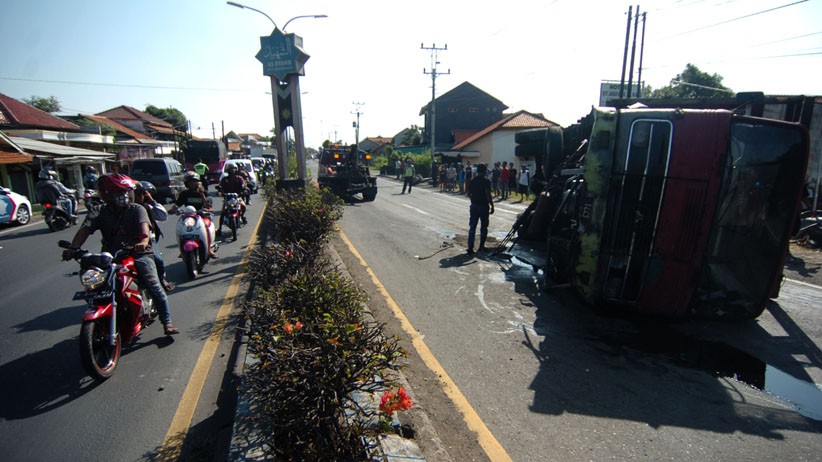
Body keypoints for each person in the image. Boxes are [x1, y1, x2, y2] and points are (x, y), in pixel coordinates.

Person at [62, 173, 180, 335]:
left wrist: (143, 242)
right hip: (110, 257)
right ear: (106, 194)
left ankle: (167, 322)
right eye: (119, 192)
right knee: (94, 286)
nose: (124, 196)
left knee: (154, 285)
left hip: (138, 254)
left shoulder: (136, 209)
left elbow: (144, 231)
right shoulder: (98, 211)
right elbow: (85, 230)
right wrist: (74, 248)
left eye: (126, 191)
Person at [134, 181, 175, 291]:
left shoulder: (148, 207)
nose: (138, 197)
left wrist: (152, 201)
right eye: (136, 194)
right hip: (129, 241)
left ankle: (161, 279)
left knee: (158, 260)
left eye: (140, 194)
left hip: (148, 240)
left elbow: (163, 216)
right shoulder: (126, 209)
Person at [171, 172, 219, 259]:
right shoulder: (184, 194)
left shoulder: (204, 193)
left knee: (207, 227)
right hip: (189, 216)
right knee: (180, 227)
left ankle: (209, 249)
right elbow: (177, 204)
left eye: (194, 181)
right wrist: (172, 209)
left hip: (202, 215)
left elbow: (208, 206)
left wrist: (202, 194)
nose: (192, 183)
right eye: (190, 182)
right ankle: (182, 249)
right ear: (186, 184)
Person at [466, 163, 494, 254]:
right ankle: (481, 246)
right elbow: (487, 194)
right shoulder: (486, 181)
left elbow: (468, 193)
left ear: (477, 171)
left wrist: (473, 200)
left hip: (474, 206)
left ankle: (470, 247)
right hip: (483, 206)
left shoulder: (472, 180)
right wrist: (492, 205)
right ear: (485, 171)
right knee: (484, 227)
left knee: (472, 227)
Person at [217, 164, 248, 234]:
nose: (232, 171)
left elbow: (244, 185)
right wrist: (219, 191)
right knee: (223, 212)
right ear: (227, 170)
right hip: (227, 198)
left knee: (243, 206)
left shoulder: (239, 178)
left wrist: (245, 190)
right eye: (230, 169)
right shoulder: (224, 179)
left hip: (237, 197)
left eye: (233, 169)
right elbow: (220, 187)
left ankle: (242, 217)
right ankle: (219, 229)